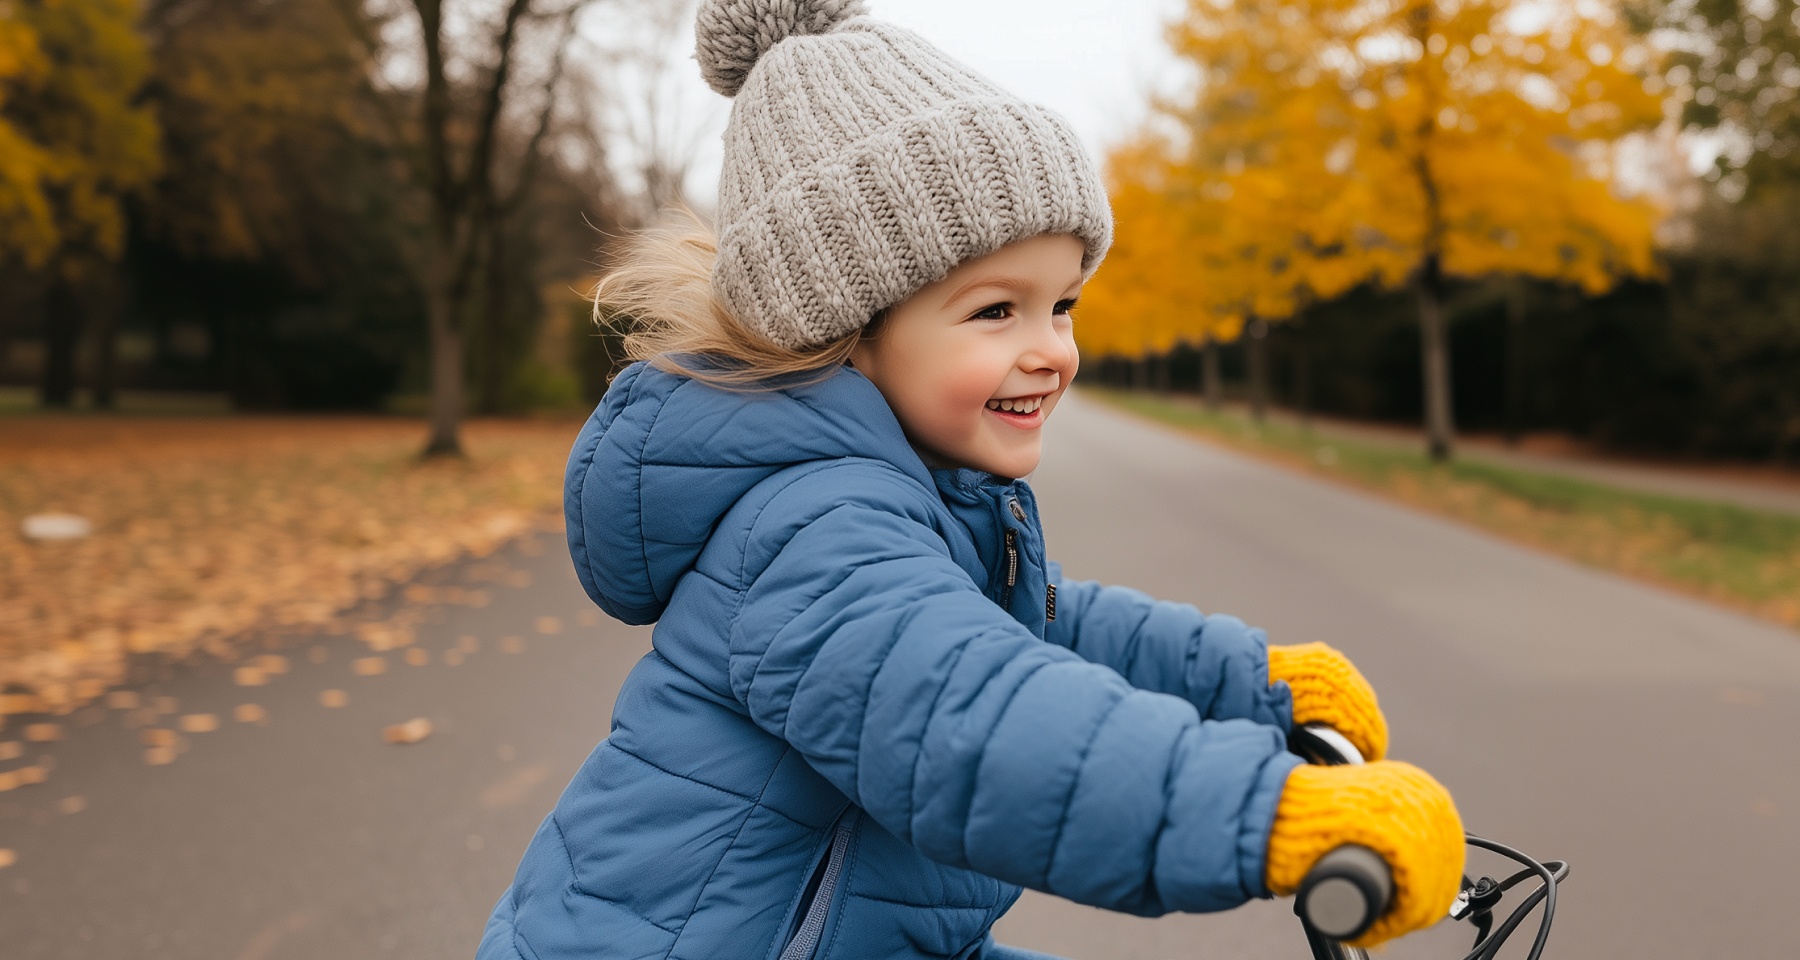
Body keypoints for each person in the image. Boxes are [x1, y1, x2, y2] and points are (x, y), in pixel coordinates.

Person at [477, 2, 1464, 958]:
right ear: (847, 332)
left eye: (1063, 305)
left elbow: (1036, 624)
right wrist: (1268, 816)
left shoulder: (908, 498)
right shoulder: (807, 526)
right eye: (997, 311)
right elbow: (973, 717)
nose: (1052, 352)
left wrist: (1248, 680)